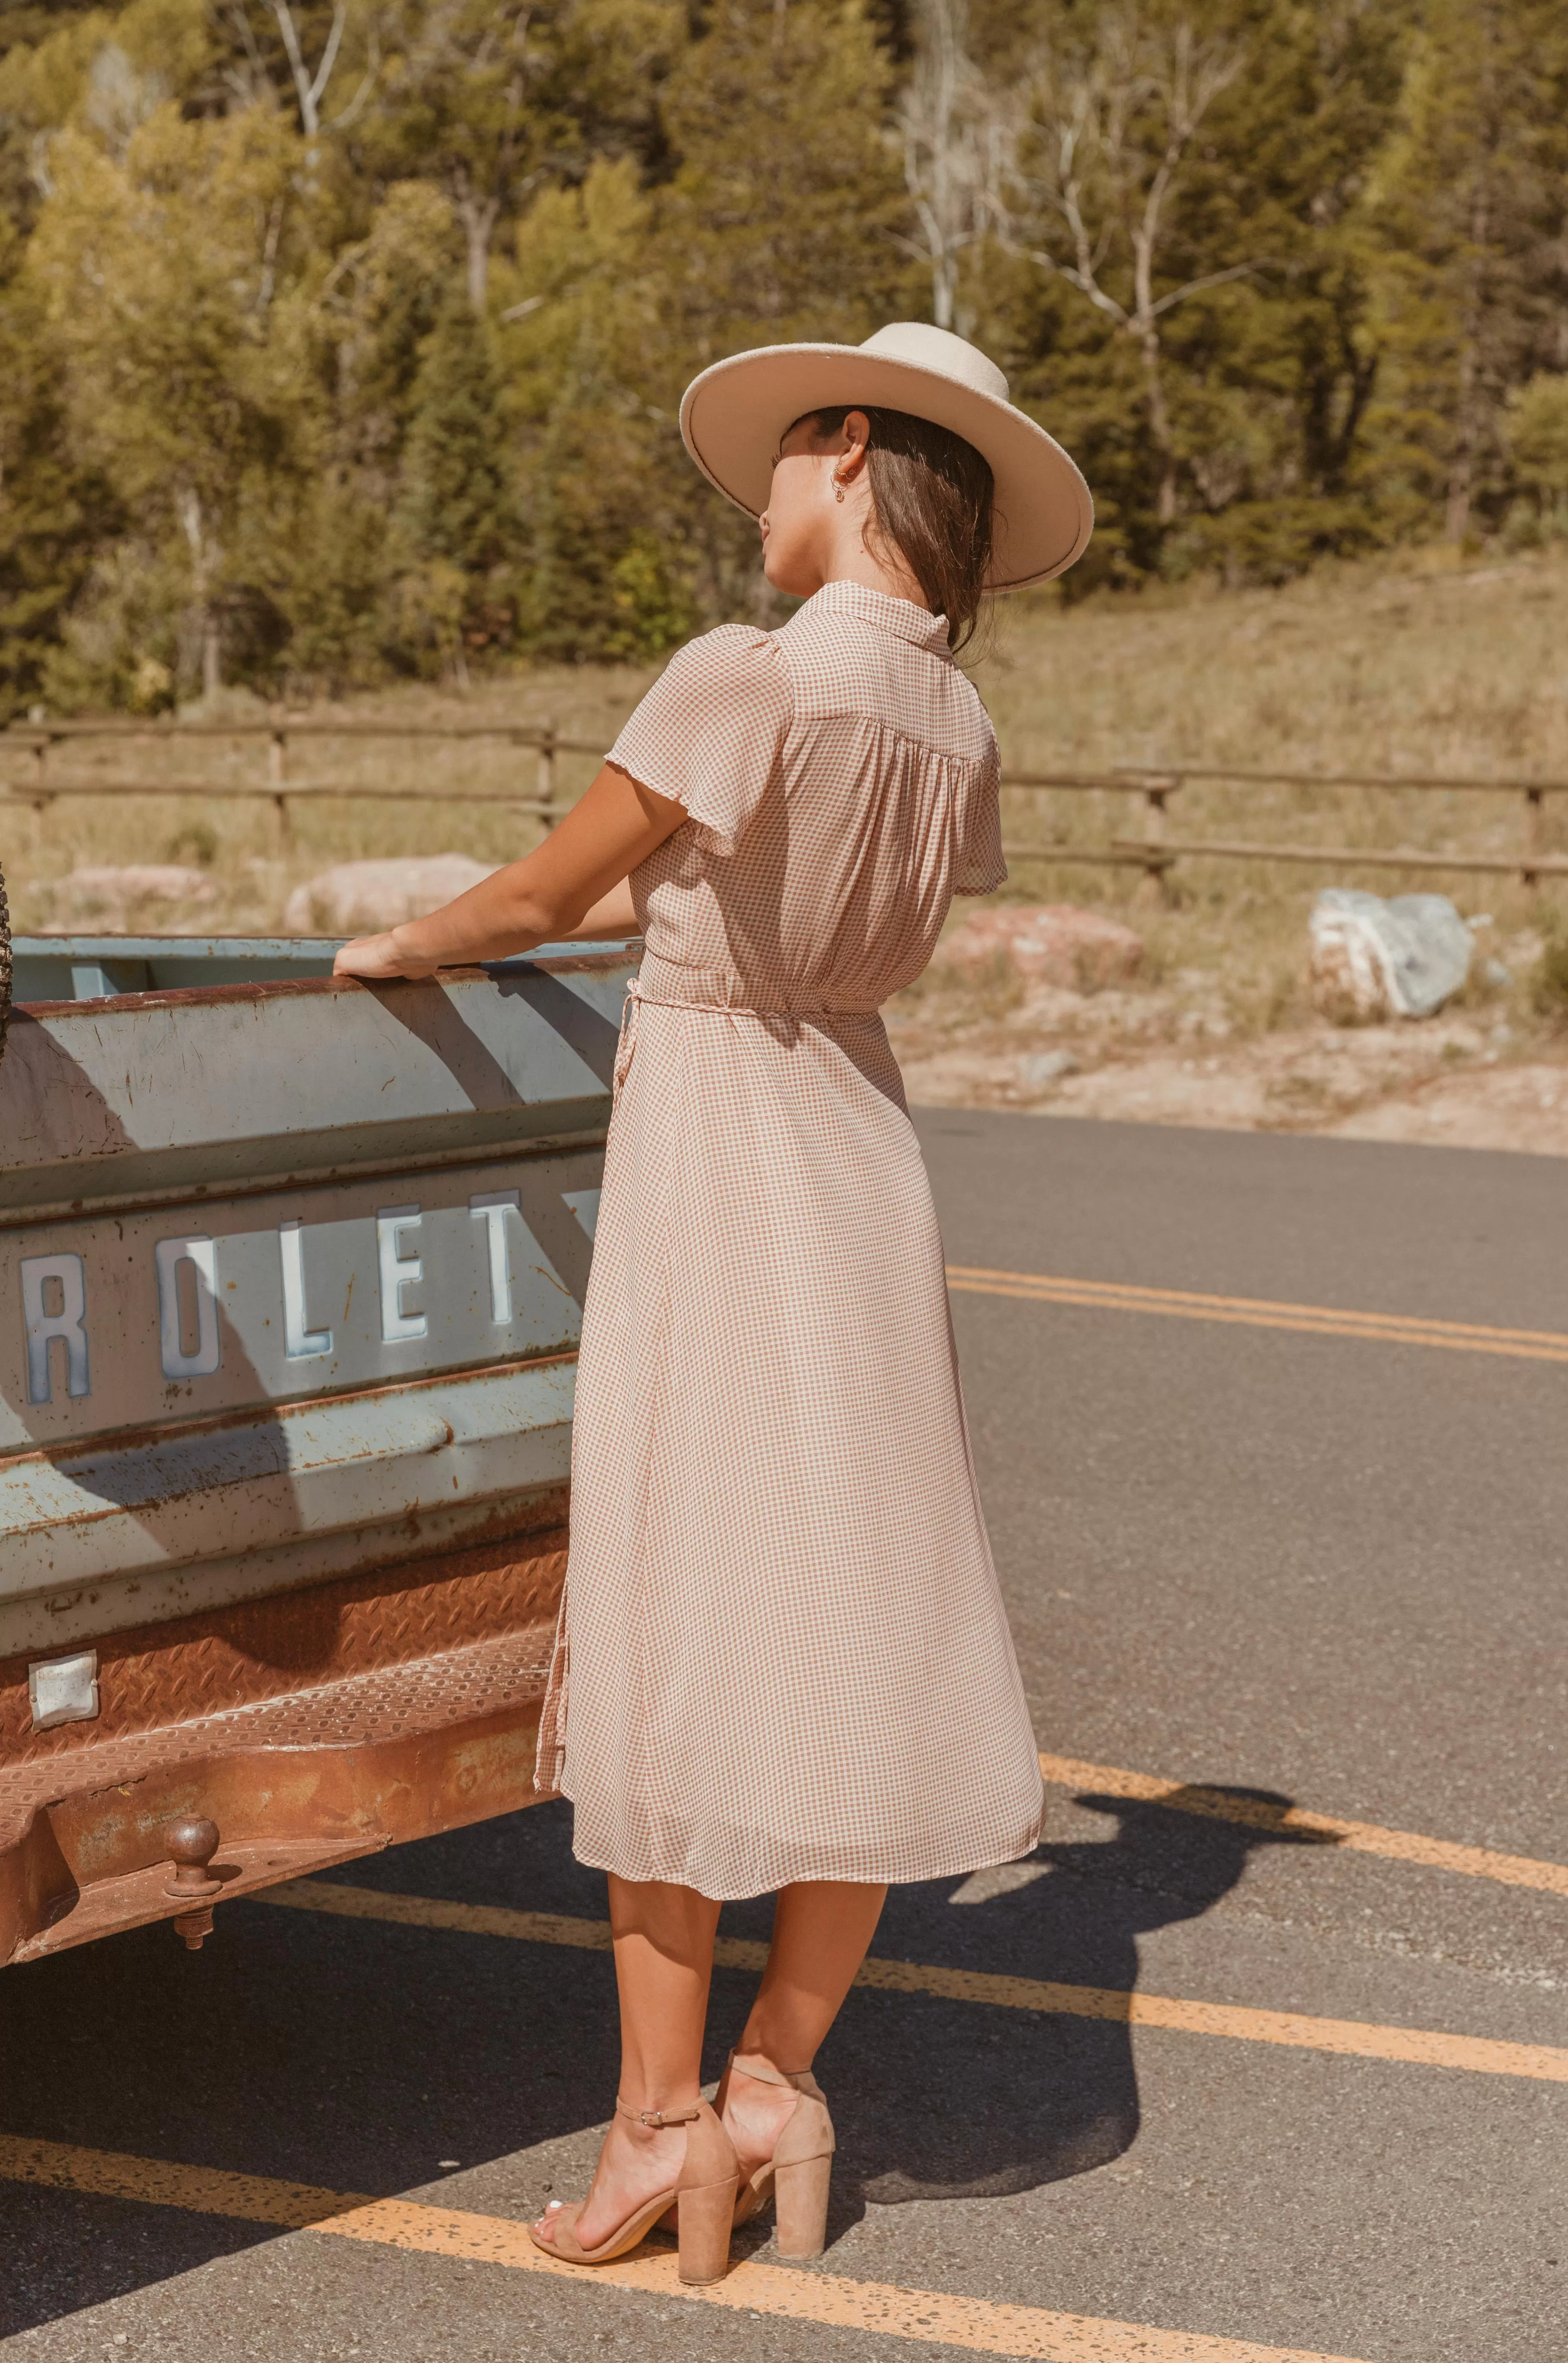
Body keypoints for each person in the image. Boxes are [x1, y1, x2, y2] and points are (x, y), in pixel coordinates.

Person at [334, 321, 1093, 2285]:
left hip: (720, 1161)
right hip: (860, 1153)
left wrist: (395, 947)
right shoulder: (953, 726)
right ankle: (776, 2079)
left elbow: (538, 896)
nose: (756, 495)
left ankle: (656, 2125)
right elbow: (789, 913)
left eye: (778, 462)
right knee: (852, 1618)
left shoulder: (741, 676)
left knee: (674, 1629)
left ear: (849, 453)